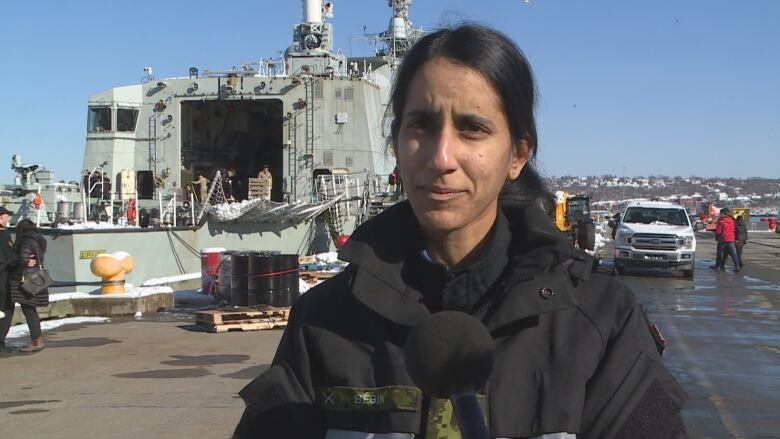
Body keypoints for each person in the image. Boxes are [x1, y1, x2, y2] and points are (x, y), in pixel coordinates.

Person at [233, 25, 687, 439]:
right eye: (421, 126)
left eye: (472, 128)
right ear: (396, 144)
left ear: (517, 154)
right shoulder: (323, 321)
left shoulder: (598, 320)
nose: (440, 157)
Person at [0, 219, 49, 352]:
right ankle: (36, 340)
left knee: (27, 310)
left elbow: (23, 259)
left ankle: (36, 341)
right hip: (34, 278)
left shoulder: (26, 241)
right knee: (28, 309)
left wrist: (15, 272)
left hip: (24, 280)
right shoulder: (38, 239)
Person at [0, 206, 18, 326]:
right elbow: (8, 254)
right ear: (1, 217)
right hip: (3, 274)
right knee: (6, 307)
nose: (8, 219)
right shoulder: (4, 234)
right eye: (6, 217)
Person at [711, 208, 741, 272]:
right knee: (733, 254)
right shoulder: (732, 220)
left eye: (720, 213)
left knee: (719, 253)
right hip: (731, 239)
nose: (719, 214)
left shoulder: (721, 221)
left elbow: (719, 231)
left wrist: (715, 233)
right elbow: (735, 229)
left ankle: (717, 266)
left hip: (723, 239)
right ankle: (737, 266)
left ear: (723, 214)